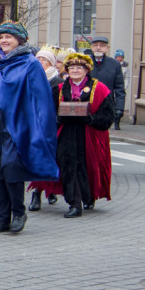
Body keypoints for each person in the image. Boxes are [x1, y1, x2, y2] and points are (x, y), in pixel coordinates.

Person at [0, 21, 59, 234]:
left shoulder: (30, 63)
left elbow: (40, 99)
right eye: (2, 37)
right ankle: (2, 218)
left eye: (9, 38)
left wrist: (37, 127)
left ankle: (19, 213)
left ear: (19, 40)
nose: (4, 41)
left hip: (18, 126)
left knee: (12, 168)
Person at [54, 52, 114, 217]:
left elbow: (108, 116)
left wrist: (91, 119)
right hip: (66, 133)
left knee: (87, 167)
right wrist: (59, 118)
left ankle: (88, 196)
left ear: (86, 70)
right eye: (71, 67)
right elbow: (49, 113)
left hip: (89, 134)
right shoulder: (59, 88)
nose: (75, 71)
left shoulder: (99, 88)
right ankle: (74, 203)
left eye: (79, 67)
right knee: (68, 166)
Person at [28, 47, 63, 212]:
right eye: (38, 59)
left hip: (54, 126)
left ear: (51, 63)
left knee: (54, 160)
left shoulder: (58, 82)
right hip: (36, 125)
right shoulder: (33, 78)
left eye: (43, 60)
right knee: (38, 160)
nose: (39, 62)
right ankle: (37, 193)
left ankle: (51, 190)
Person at [88, 36, 125, 131]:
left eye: (102, 45)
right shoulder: (85, 63)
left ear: (107, 48)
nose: (98, 48)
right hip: (87, 105)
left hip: (106, 105)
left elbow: (119, 88)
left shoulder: (114, 64)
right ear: (91, 47)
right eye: (95, 45)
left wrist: (119, 108)